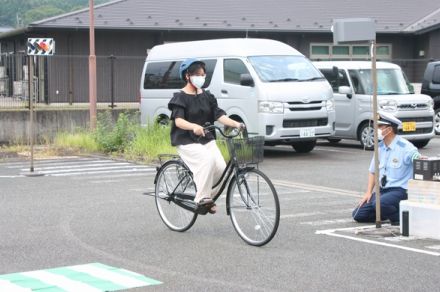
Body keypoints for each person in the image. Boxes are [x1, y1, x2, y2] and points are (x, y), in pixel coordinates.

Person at [168, 58, 243, 214]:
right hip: (186, 140)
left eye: (203, 75)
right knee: (206, 160)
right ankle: (201, 199)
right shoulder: (180, 97)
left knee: (221, 168)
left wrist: (236, 124)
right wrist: (194, 126)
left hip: (206, 138)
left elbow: (219, 115)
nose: (201, 78)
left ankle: (208, 198)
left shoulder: (207, 96)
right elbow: (179, 121)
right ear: (187, 76)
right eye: (197, 75)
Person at [352, 111, 422, 225]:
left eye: (379, 126)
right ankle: (387, 211)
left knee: (380, 204)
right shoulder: (380, 147)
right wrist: (368, 192)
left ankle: (401, 218)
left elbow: (417, 158)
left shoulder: (405, 147)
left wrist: (419, 158)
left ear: (389, 129)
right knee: (358, 214)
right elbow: (373, 171)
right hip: (384, 191)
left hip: (401, 191)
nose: (376, 129)